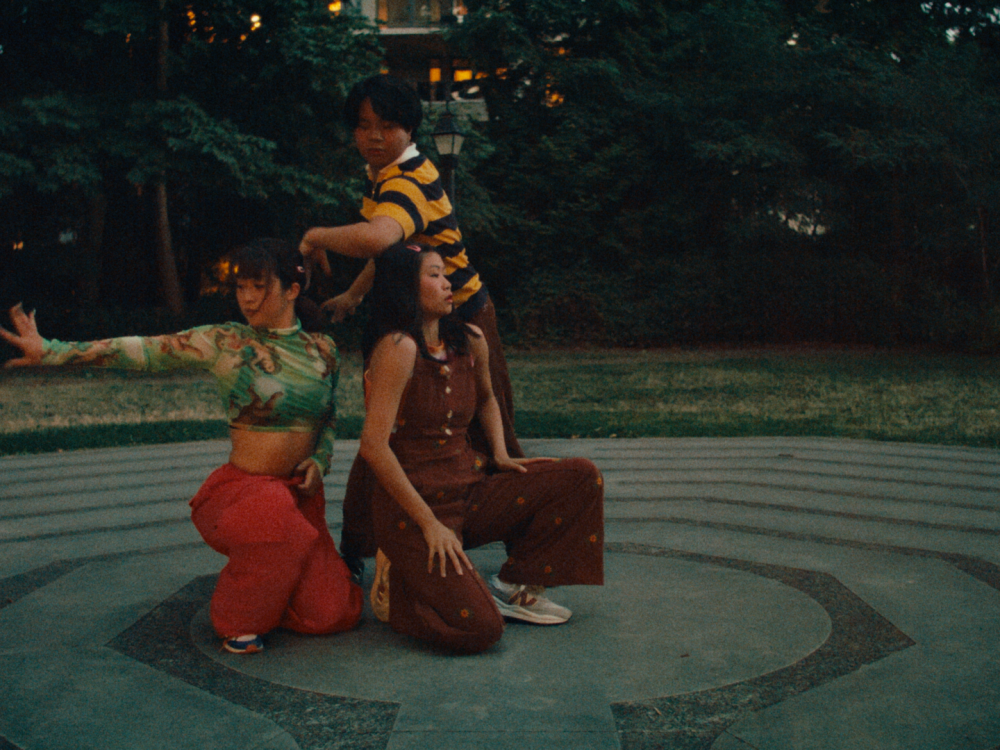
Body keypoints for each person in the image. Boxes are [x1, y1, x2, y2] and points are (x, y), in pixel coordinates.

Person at [0, 238, 363, 654]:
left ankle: (280, 578)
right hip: (243, 496)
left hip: (298, 499)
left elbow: (329, 418)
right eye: (240, 287)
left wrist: (320, 459)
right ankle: (238, 618)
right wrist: (52, 351)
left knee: (331, 613)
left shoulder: (324, 351)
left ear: (292, 290)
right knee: (274, 520)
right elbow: (144, 351)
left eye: (257, 286)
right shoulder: (226, 341)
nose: (245, 298)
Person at [299, 73, 523, 575]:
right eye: (363, 125)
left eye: (388, 125)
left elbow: (381, 237)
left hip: (461, 315)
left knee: (494, 433)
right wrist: (355, 295)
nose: (374, 136)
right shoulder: (387, 177)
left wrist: (315, 235)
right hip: (410, 320)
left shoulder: (408, 180)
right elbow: (398, 252)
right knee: (387, 431)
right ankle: (355, 550)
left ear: (410, 129)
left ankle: (525, 562)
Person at [358, 241, 604, 654]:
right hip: (416, 511)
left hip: (468, 490)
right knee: (483, 630)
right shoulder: (398, 349)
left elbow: (488, 398)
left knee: (580, 476)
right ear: (404, 287)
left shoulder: (469, 340)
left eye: (445, 273)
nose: (446, 282)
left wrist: (501, 455)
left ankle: (513, 584)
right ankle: (403, 588)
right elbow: (373, 447)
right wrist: (430, 525)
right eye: (433, 275)